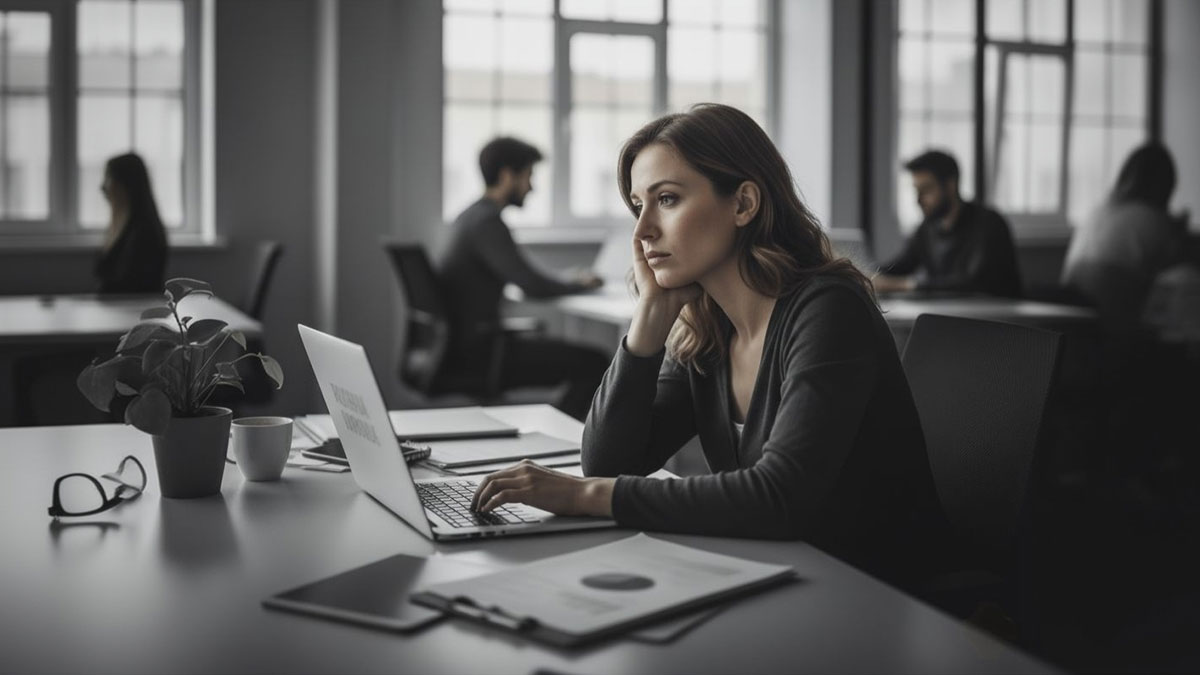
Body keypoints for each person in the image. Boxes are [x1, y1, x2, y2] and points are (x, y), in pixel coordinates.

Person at [470, 105, 946, 585]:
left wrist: (583, 495)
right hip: (778, 574)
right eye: (639, 205)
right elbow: (610, 462)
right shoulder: (706, 327)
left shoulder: (829, 309)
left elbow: (777, 499)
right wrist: (651, 316)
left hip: (874, 595)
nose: (642, 231)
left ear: (743, 204)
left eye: (668, 199)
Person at [438, 137, 609, 420]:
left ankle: (554, 432)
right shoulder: (487, 223)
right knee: (595, 363)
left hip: (467, 345)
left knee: (588, 361)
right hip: (481, 353)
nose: (532, 186)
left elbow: (526, 277)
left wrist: (565, 280)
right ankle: (555, 436)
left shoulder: (470, 217)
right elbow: (532, 285)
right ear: (507, 175)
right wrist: (579, 283)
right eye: (529, 175)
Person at [1061, 141, 1187, 331]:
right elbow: (1174, 277)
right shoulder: (1155, 220)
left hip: (1071, 322)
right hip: (1114, 323)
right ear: (1166, 185)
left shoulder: (1097, 211)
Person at [874, 150, 1022, 297]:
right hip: (953, 313)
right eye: (916, 190)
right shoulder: (927, 229)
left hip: (996, 315)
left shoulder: (989, 224)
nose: (918, 200)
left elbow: (972, 282)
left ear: (950, 185)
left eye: (926, 189)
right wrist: (868, 277)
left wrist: (907, 285)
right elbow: (900, 265)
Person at [94, 152, 169, 294]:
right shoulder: (124, 225)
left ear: (125, 184)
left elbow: (128, 286)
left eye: (108, 178)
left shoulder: (144, 232)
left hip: (131, 312)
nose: (103, 187)